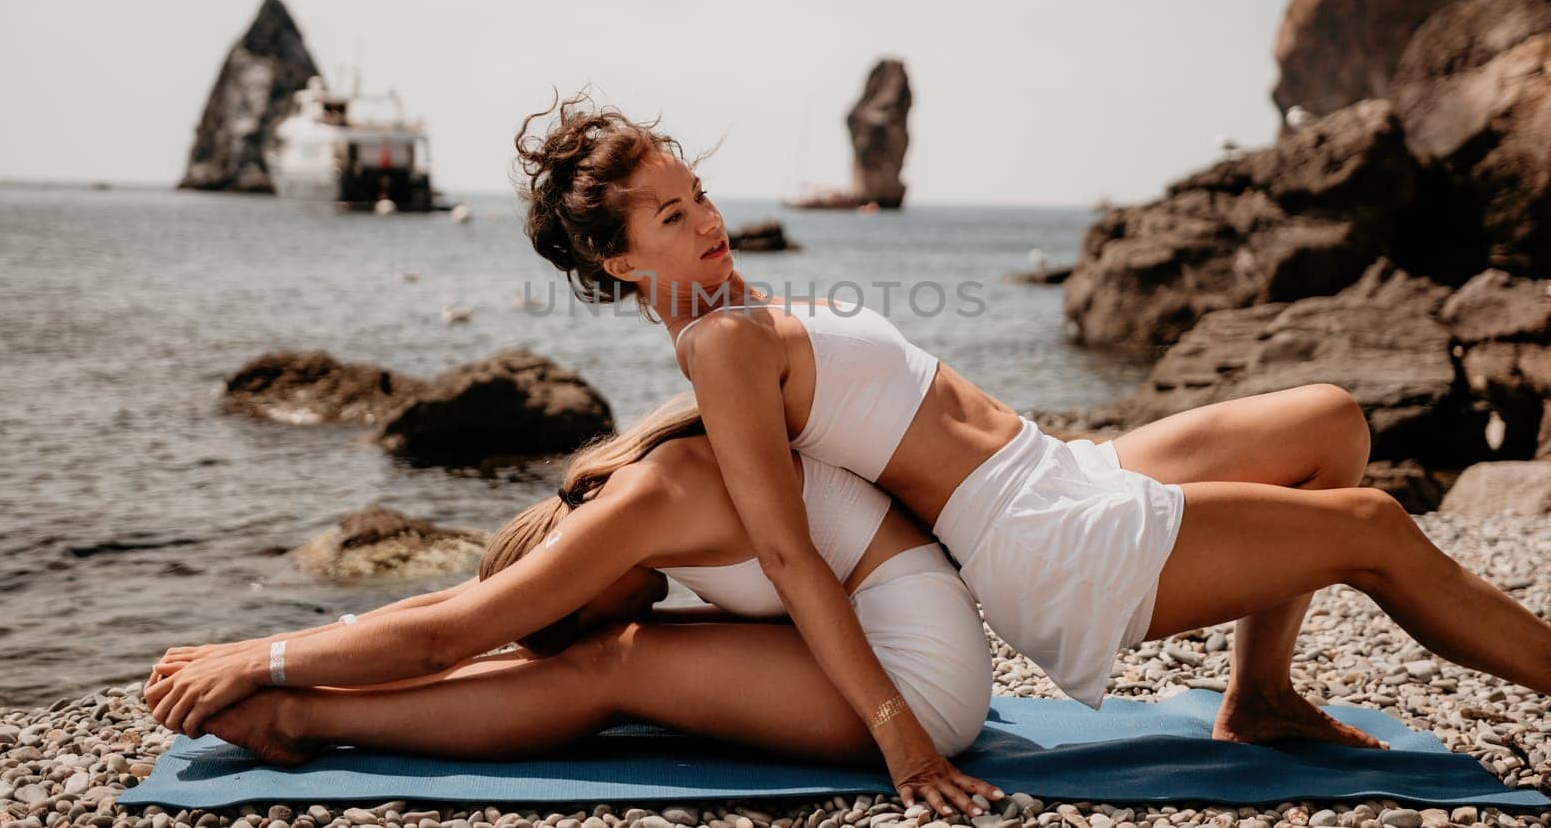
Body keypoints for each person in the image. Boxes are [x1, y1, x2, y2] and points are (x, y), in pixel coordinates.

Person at [509, 94, 1551, 787]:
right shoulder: (721, 347)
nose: (707, 219)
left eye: (698, 194)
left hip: (1055, 468)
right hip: (1042, 538)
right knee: (1369, 525)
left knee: (1330, 416)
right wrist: (896, 733)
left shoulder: (736, 307)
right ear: (615, 256)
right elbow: (786, 549)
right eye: (670, 215)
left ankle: (1261, 696)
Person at [145, 394, 1001, 816]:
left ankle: (298, 720)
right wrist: (267, 639)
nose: (621, 605)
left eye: (579, 605)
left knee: (612, 664)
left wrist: (267, 665)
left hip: (917, 676)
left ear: (567, 563)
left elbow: (449, 635)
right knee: (599, 651)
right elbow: (470, 601)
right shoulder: (616, 486)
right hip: (889, 628)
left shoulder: (641, 501)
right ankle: (300, 707)